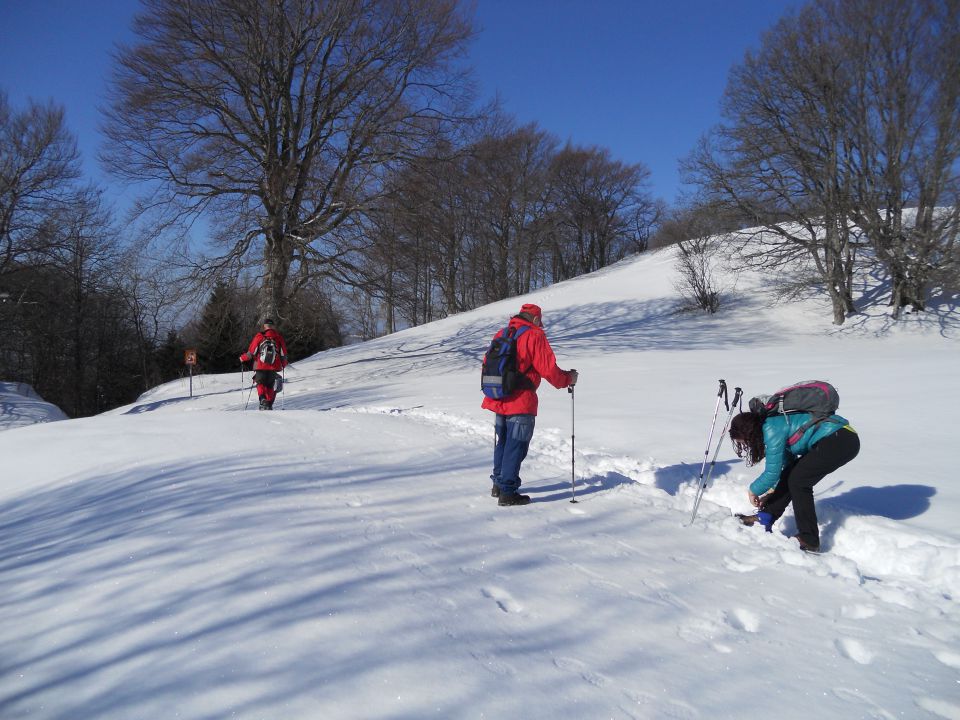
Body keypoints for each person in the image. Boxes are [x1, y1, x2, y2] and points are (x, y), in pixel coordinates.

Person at [481, 303, 578, 506]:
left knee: (504, 442)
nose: (541, 325)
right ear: (535, 319)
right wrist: (568, 379)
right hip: (520, 400)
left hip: (498, 398)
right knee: (516, 446)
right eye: (540, 321)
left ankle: (498, 485)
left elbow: (486, 363)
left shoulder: (502, 333)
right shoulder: (534, 335)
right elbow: (549, 369)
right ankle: (508, 492)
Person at [729, 407, 859, 553]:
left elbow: (772, 473)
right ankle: (766, 516)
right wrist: (773, 492)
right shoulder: (772, 425)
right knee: (793, 474)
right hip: (837, 437)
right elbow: (786, 467)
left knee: (800, 482)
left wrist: (753, 491)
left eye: (744, 441)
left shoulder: (771, 430)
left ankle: (809, 539)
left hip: (840, 439)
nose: (746, 446)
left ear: (749, 434)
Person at [239, 318, 288, 410]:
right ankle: (268, 404)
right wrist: (283, 365)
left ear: (264, 326)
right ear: (273, 326)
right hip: (273, 367)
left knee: (260, 383)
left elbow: (251, 353)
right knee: (270, 385)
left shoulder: (259, 336)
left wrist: (242, 358)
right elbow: (283, 354)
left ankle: (262, 399)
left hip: (260, 365)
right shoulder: (279, 337)